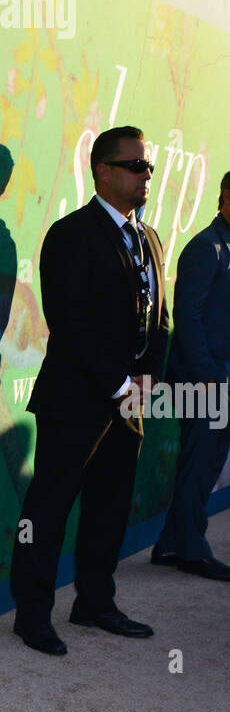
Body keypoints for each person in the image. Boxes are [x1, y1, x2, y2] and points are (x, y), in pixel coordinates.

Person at [10, 126, 169, 656]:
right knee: (48, 510)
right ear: (103, 171)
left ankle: (95, 602)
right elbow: (70, 322)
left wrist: (145, 379)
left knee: (110, 506)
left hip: (129, 404)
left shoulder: (148, 238)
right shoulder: (70, 235)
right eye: (134, 166)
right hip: (75, 400)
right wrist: (120, 383)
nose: (145, 175)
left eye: (146, 167)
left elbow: (158, 319)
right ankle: (31, 615)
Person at [151, 170, 230, 580]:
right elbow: (188, 316)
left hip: (219, 378)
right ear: (225, 198)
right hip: (204, 381)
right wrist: (209, 377)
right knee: (200, 462)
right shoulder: (206, 248)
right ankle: (191, 549)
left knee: (207, 461)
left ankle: (169, 542)